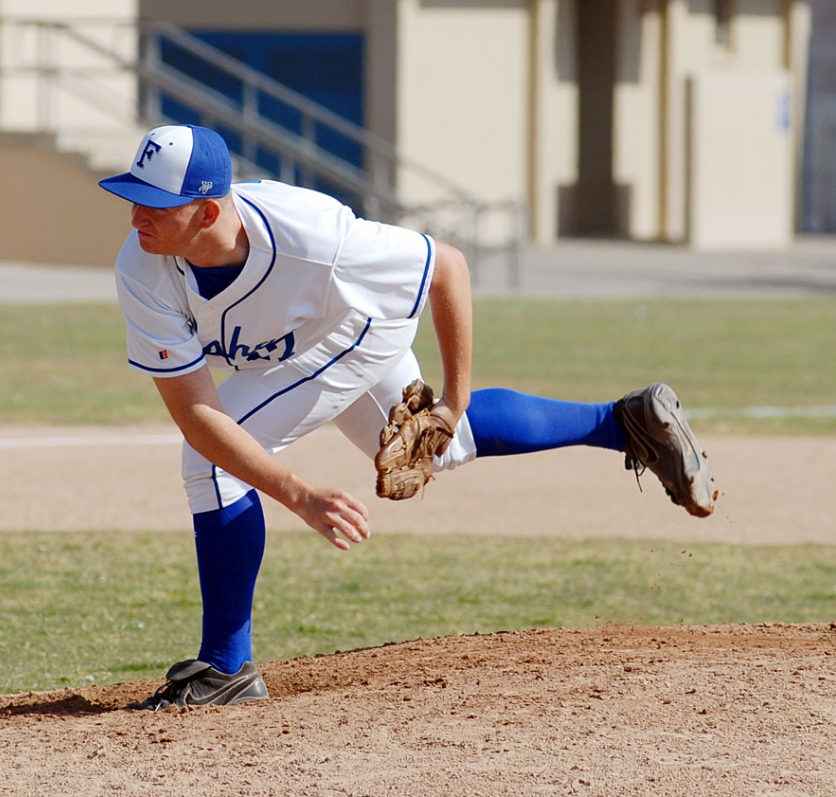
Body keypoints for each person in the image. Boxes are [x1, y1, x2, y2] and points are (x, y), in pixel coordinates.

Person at [98, 124, 717, 711]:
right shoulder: (141, 265)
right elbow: (194, 409)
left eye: (154, 203)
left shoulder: (315, 242)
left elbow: (447, 266)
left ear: (207, 211)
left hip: (358, 326)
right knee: (438, 452)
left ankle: (226, 668)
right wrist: (301, 490)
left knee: (211, 464)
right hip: (312, 339)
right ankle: (623, 422)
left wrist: (452, 401)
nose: (134, 217)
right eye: (134, 197)